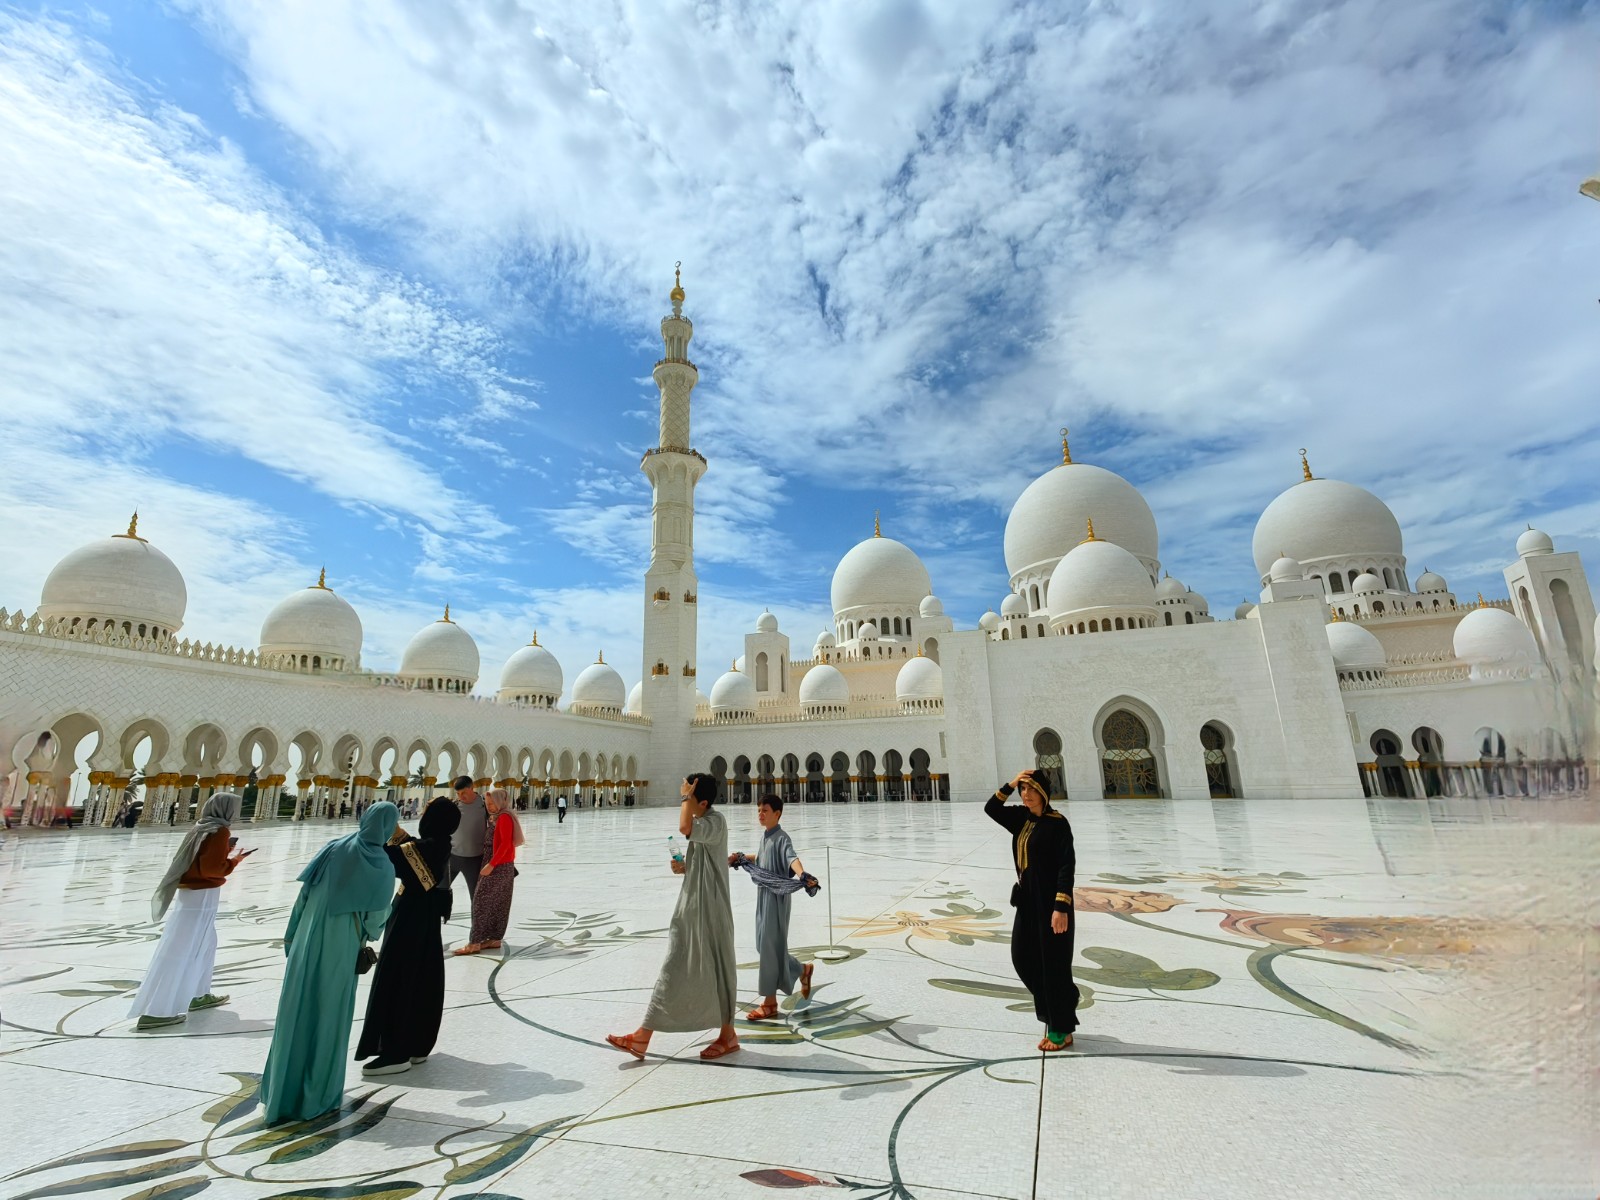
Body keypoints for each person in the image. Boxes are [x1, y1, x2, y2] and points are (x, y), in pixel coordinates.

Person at [259, 802, 399, 1123]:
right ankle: (316, 1097)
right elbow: (375, 922)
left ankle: (280, 1092)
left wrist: (292, 938)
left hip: (305, 942)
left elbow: (303, 895)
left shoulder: (332, 849)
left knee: (295, 1014)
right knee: (327, 1018)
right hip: (340, 948)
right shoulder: (381, 865)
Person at [607, 774, 738, 1061]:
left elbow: (684, 827)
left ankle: (727, 1036)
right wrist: (685, 867)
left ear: (702, 802)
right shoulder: (704, 824)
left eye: (689, 798)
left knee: (718, 966)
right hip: (693, 907)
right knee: (677, 964)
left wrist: (683, 799)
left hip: (711, 909)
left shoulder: (715, 821)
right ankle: (644, 1036)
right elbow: (700, 857)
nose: (685, 803)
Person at [129, 791, 251, 1031]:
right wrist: (234, 861)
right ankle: (157, 1012)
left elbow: (201, 861)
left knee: (205, 945)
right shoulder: (219, 831)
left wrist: (224, 854)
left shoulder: (202, 827)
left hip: (193, 894)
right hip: (201, 896)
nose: (236, 813)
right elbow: (211, 869)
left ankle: (198, 994)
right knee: (182, 948)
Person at [355, 797, 460, 1075]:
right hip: (420, 917)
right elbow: (410, 849)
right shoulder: (438, 844)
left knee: (399, 974)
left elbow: (395, 857)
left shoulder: (430, 848)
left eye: (426, 812)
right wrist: (398, 832)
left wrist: (381, 826)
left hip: (411, 919)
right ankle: (414, 1044)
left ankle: (396, 1051)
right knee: (419, 976)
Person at [986, 770, 1079, 1051]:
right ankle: (1063, 1002)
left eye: (1031, 790)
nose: (1026, 795)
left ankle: (1060, 1028)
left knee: (1053, 966)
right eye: (1023, 790)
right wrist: (1011, 783)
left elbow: (1067, 866)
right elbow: (991, 808)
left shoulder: (1058, 824)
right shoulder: (1020, 819)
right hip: (1027, 901)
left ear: (1044, 793)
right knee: (1022, 958)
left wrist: (1061, 907)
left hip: (1051, 904)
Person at [731, 795, 817, 1021]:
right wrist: (741, 858)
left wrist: (802, 875)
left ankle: (769, 1003)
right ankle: (802, 970)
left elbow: (792, 859)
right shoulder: (765, 837)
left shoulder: (782, 838)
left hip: (777, 899)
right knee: (764, 945)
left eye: (765, 810)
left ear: (777, 813)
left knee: (769, 948)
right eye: (758, 810)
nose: (760, 814)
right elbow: (761, 857)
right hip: (763, 896)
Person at [455, 789, 523, 956]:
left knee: (480, 902)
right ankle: (494, 939)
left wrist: (491, 865)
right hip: (500, 864)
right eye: (487, 804)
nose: (490, 807)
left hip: (498, 865)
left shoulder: (505, 817)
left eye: (492, 803)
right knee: (498, 903)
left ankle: (475, 942)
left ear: (501, 801)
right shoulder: (498, 817)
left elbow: (505, 845)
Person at [448, 776, 487, 910]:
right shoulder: (454, 805)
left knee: (476, 898)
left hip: (475, 859)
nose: (461, 796)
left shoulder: (484, 804)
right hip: (453, 857)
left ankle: (477, 929)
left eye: (463, 792)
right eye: (458, 793)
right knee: (438, 891)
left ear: (472, 788)